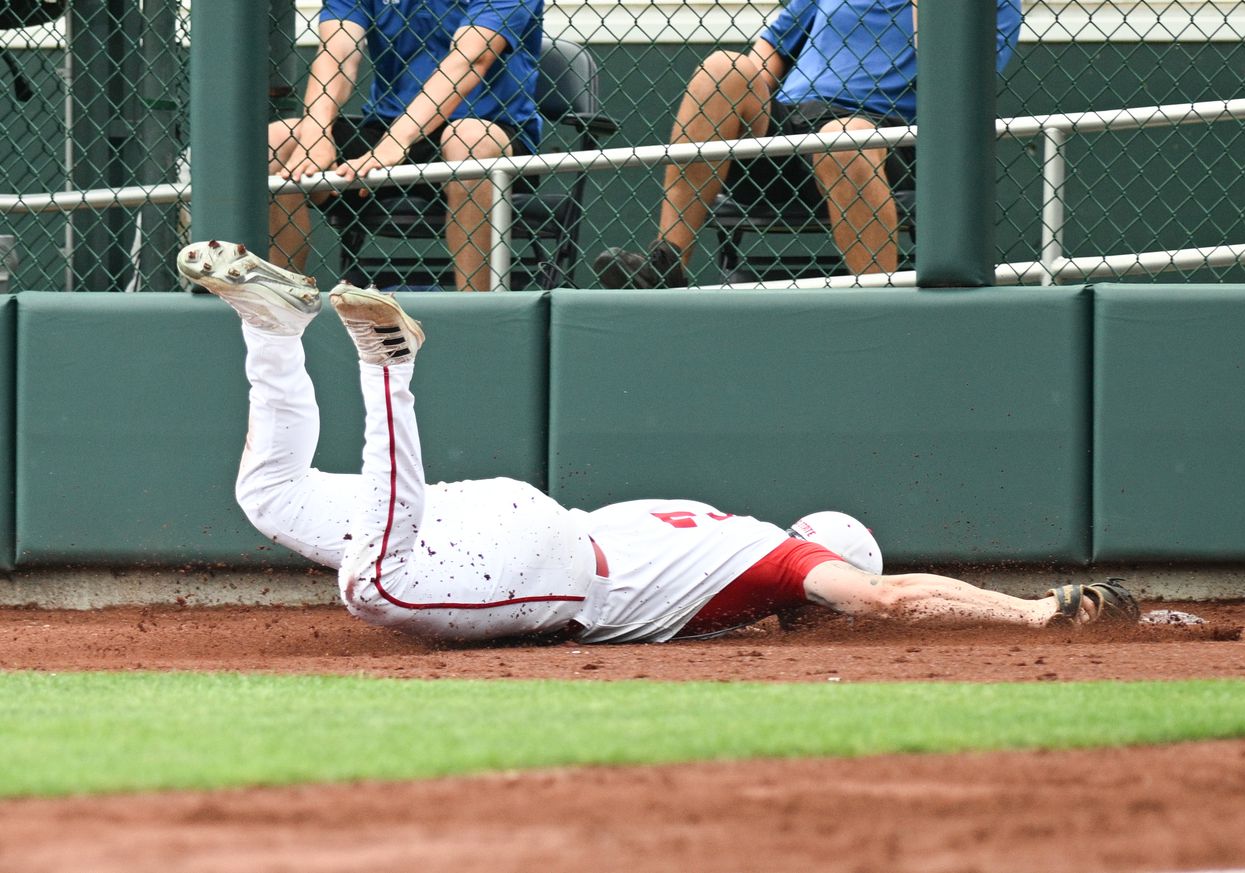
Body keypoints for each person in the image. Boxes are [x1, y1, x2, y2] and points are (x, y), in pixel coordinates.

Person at [177, 240, 1139, 645]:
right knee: (374, 586)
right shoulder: (779, 559)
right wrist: (1028, 615)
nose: (823, 608)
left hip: (510, 518)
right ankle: (388, 366)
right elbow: (888, 593)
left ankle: (271, 330)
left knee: (273, 494)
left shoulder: (722, 518)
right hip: (549, 565)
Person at [593, 0, 1023, 288]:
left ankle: (882, 302)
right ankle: (666, 262)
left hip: (888, 135)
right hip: (787, 128)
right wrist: (738, 91)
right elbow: (768, 54)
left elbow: (958, 83)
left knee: (842, 139)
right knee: (722, 68)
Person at [268, 0, 544, 292]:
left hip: (486, 131)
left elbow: (471, 58)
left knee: (467, 138)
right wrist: (316, 132)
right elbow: (337, 54)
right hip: (383, 131)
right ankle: (282, 309)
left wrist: (395, 142)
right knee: (278, 140)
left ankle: (476, 312)